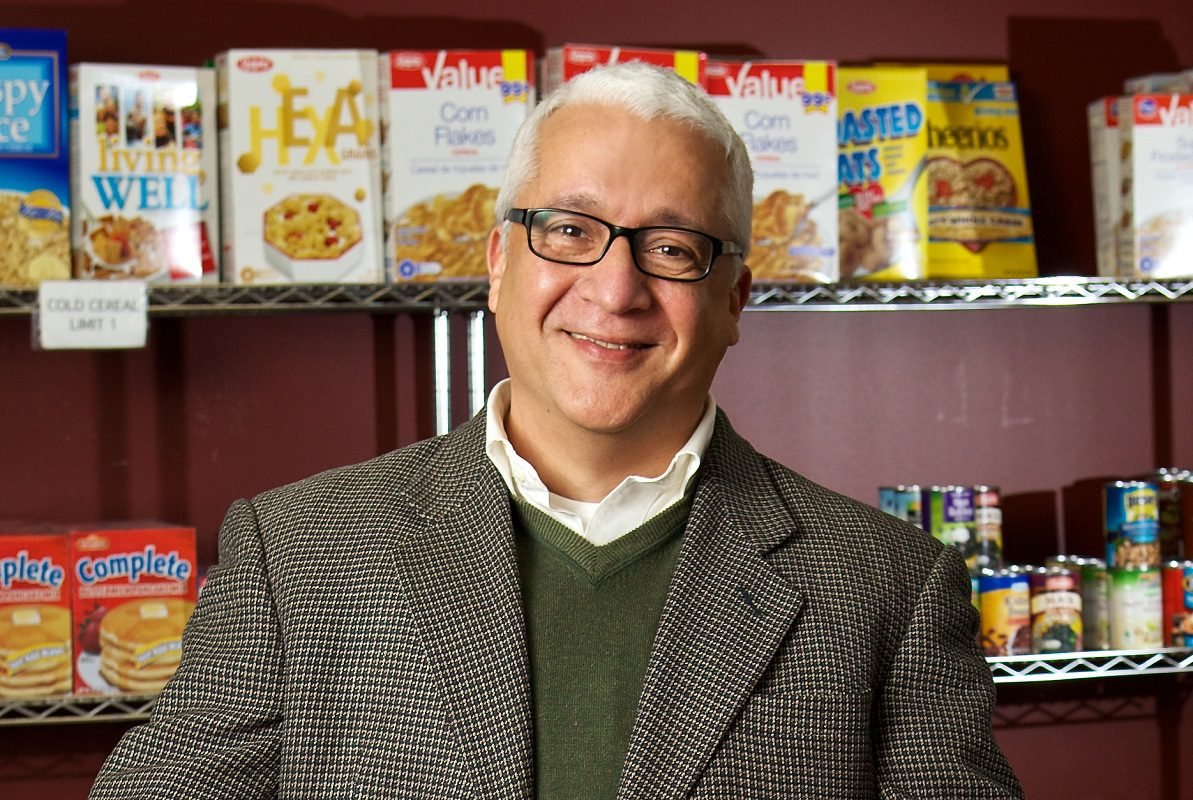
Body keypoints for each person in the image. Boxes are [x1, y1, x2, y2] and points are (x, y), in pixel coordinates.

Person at [90, 61, 1022, 799]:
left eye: (670, 248)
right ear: (498, 262)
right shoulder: (296, 553)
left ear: (734, 298)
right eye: (570, 231)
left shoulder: (888, 586)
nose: (614, 290)